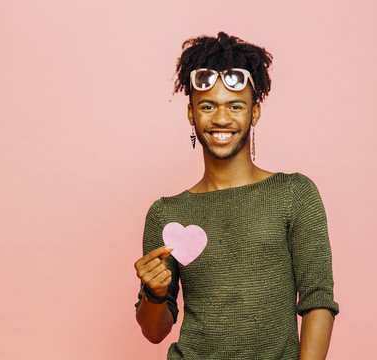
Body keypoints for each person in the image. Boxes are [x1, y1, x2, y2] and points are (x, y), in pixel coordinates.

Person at [133, 32, 339, 360]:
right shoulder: (165, 213)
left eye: (235, 106)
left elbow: (318, 302)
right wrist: (154, 295)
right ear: (191, 114)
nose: (221, 118)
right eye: (208, 106)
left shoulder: (294, 194)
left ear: (254, 113)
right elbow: (155, 331)